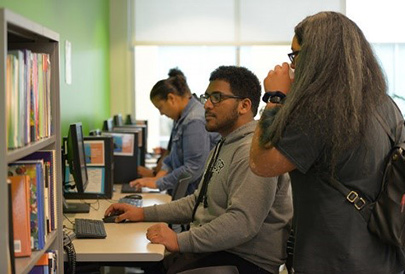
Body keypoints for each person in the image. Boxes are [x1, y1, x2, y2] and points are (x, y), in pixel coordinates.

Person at [249, 11, 405, 274]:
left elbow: (261, 163)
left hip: (334, 259)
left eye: (295, 55)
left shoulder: (320, 110)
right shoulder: (386, 105)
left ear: (315, 56)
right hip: (384, 257)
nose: (292, 66)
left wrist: (274, 98)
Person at [105, 65, 293, 274]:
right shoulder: (224, 144)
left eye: (217, 98)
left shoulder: (251, 151)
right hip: (218, 251)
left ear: (244, 106)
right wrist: (142, 213)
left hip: (245, 262)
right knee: (153, 264)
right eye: (207, 97)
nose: (207, 106)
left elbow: (241, 223)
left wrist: (179, 240)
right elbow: (197, 202)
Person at [130, 68, 219, 195]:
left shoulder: (194, 121)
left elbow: (193, 168)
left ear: (171, 98)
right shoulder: (182, 117)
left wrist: (157, 183)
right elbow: (172, 157)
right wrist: (156, 178)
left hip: (194, 195)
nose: (161, 113)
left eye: (160, 107)